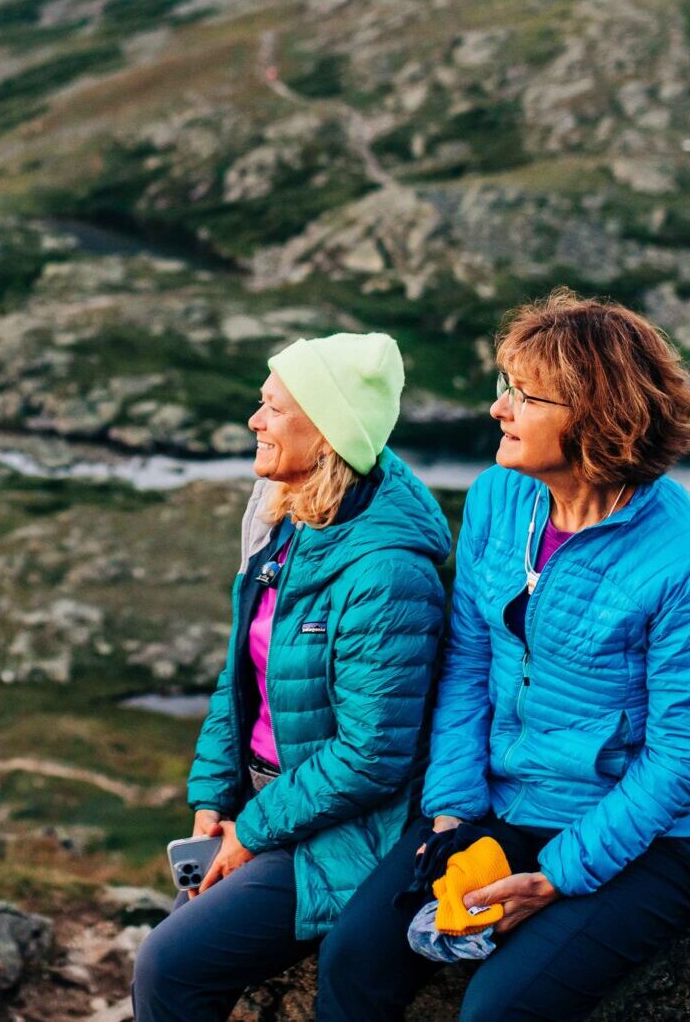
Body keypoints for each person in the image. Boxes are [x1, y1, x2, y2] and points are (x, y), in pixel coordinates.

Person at [314, 289, 690, 1021]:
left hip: (651, 838)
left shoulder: (689, 568)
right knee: (355, 956)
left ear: (593, 418)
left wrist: (556, 876)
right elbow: (466, 658)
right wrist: (454, 810)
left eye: (524, 395)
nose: (499, 409)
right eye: (505, 387)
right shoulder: (499, 497)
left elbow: (683, 759)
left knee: (498, 1010)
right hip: (504, 800)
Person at [131, 333, 451, 1022]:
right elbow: (240, 675)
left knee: (169, 966)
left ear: (329, 434)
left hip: (348, 826)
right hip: (271, 804)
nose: (255, 421)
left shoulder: (387, 573)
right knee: (173, 953)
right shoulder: (291, 519)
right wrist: (213, 798)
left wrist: (253, 831)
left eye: (273, 408)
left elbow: (372, 756)